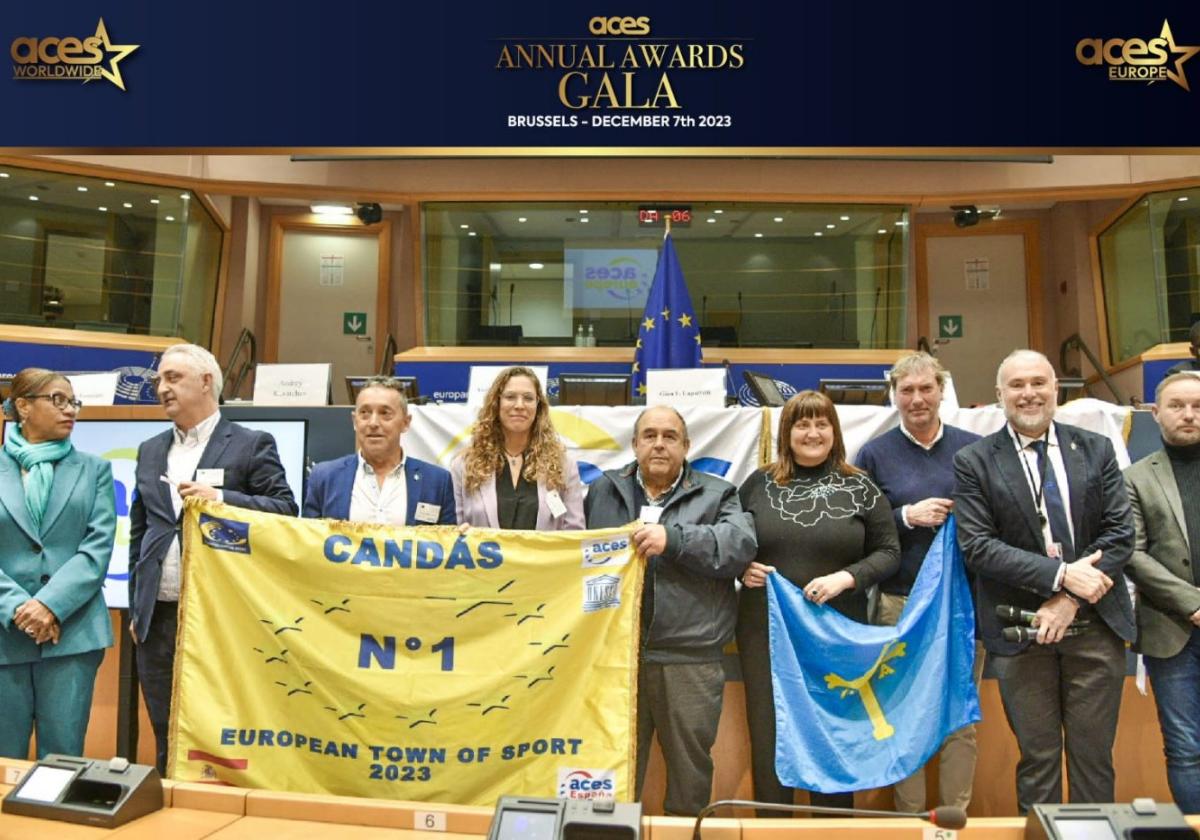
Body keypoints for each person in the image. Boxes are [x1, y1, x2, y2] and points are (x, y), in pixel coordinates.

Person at [954, 349, 1134, 814]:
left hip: (1095, 625)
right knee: (1038, 760)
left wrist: (1069, 597)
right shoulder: (974, 461)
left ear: (1057, 388)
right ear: (999, 396)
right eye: (1016, 385)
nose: (1028, 393)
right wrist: (1059, 574)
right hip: (1021, 631)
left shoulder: (1095, 448)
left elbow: (1120, 535)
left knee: (1094, 759)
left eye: (1039, 382)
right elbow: (978, 546)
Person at [129, 343, 297, 773]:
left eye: (172, 378)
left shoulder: (250, 444)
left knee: (217, 723)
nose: (160, 388)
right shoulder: (149, 449)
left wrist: (220, 499)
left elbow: (284, 510)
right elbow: (140, 529)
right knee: (164, 724)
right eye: (158, 380)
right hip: (158, 614)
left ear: (206, 382)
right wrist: (137, 605)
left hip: (218, 615)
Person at [585, 405, 757, 816]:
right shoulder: (603, 490)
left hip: (690, 658)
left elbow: (739, 546)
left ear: (686, 446)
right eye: (649, 435)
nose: (659, 444)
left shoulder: (718, 494)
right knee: (612, 772)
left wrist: (673, 540)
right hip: (616, 659)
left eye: (669, 436)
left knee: (689, 776)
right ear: (634, 444)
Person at [739, 390, 900, 814]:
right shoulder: (758, 484)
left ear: (835, 431)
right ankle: (771, 826)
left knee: (830, 731)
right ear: (786, 433)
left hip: (836, 631)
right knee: (770, 731)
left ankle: (832, 825)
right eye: (802, 424)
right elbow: (732, 544)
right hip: (766, 632)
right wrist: (743, 570)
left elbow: (888, 552)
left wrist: (847, 578)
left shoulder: (860, 485)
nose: (812, 433)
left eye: (821, 423)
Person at [856, 352, 981, 813]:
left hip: (961, 605)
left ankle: (954, 818)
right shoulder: (874, 453)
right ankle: (908, 820)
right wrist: (906, 516)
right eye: (906, 390)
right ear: (895, 396)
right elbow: (860, 528)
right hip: (898, 603)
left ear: (942, 391)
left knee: (958, 717)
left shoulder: (974, 447)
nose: (917, 399)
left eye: (926, 388)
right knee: (902, 711)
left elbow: (994, 519)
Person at [0, 369, 115, 759]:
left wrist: (49, 605)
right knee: (3, 760)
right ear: (23, 406)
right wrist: (19, 607)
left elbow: (97, 549)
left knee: (63, 762)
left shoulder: (94, 469)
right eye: (58, 400)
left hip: (73, 634)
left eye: (74, 403)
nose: (71, 411)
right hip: (4, 633)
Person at [1124, 372, 1200, 813]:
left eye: (1196, 405)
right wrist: (1192, 603)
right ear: (1156, 413)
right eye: (1177, 406)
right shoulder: (1136, 477)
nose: (1188, 414)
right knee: (1186, 747)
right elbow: (1131, 552)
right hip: (1172, 632)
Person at [304, 376, 455, 525]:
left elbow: (447, 544)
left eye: (385, 413)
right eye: (365, 413)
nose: (373, 423)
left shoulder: (437, 482)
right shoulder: (324, 478)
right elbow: (308, 541)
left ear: (406, 423)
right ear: (354, 421)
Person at [452, 366, 583, 530]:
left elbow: (575, 533)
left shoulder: (563, 465)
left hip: (543, 555)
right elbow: (452, 532)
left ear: (538, 406)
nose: (519, 405)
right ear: (496, 403)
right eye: (510, 397)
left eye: (528, 398)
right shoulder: (465, 465)